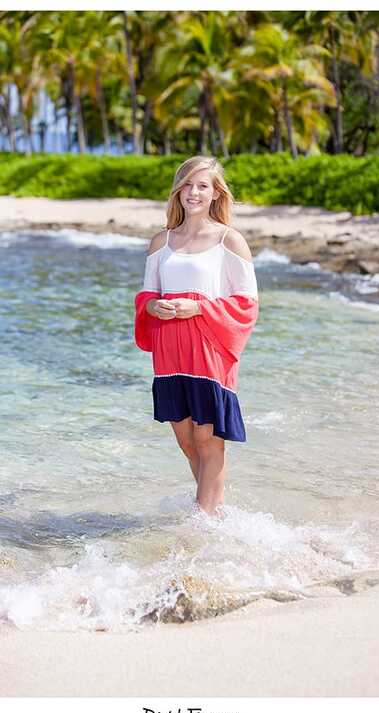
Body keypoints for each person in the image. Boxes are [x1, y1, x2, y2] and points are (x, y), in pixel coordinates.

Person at [134, 155, 259, 517]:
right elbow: (147, 294)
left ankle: (201, 523)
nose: (193, 192)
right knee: (187, 441)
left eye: (202, 185)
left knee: (208, 439)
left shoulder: (229, 241)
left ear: (216, 193)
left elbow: (248, 304)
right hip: (170, 352)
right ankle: (215, 514)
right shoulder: (161, 242)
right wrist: (153, 307)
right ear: (177, 191)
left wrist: (200, 307)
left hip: (210, 349)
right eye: (187, 184)